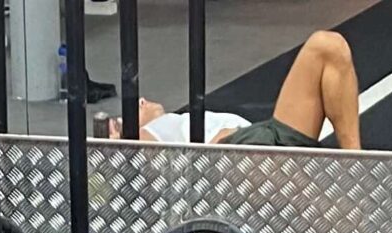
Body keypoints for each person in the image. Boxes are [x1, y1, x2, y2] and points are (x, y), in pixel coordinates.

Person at [117, 31, 361, 151]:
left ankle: (355, 164)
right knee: (326, 45)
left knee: (329, 48)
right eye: (120, 120)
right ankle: (355, 168)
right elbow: (137, 164)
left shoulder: (174, 123)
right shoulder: (147, 135)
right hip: (240, 149)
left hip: (260, 136)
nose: (143, 100)